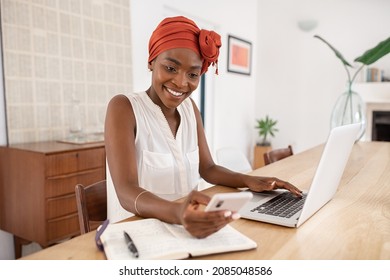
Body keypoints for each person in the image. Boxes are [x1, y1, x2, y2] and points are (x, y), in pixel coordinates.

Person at [104, 16, 302, 239]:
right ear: (151, 61)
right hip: (135, 235)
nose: (181, 83)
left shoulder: (190, 109)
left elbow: (207, 168)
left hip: (187, 228)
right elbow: (126, 191)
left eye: (193, 74)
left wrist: (249, 180)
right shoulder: (123, 108)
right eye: (170, 68)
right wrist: (177, 212)